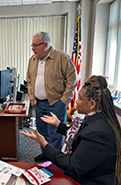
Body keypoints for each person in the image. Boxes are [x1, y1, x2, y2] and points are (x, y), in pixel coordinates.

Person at [22, 75, 121, 184]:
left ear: (92, 104)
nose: (76, 101)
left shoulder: (98, 132)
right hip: (86, 172)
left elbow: (72, 166)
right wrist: (58, 124)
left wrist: (45, 144)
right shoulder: (97, 118)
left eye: (80, 98)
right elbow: (80, 134)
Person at [26, 31, 78, 162]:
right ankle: (45, 153)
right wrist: (32, 96)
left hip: (56, 103)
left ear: (45, 44)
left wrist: (64, 100)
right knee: (42, 132)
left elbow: (73, 79)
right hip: (39, 103)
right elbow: (30, 80)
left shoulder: (61, 58)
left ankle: (54, 161)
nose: (32, 48)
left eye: (35, 45)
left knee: (55, 134)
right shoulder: (32, 60)